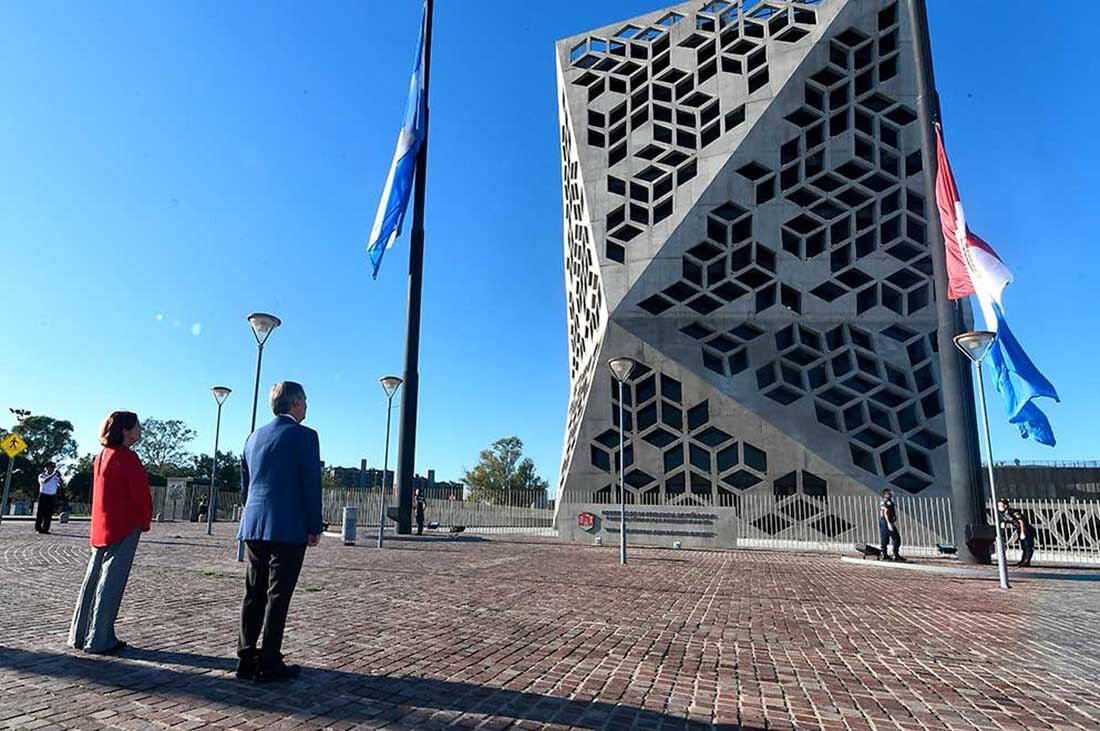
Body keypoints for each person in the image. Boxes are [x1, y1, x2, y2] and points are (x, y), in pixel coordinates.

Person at [236, 381, 322, 682]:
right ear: (296, 403)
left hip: (254, 524)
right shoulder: (305, 436)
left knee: (254, 592)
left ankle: (245, 658)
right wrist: (314, 525)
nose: (307, 406)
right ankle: (270, 660)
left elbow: (246, 488)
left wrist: (253, 513)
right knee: (278, 595)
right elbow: (311, 483)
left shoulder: (253, 437)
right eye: (306, 400)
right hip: (288, 526)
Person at [68, 411, 152, 655]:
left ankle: (80, 633)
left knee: (93, 579)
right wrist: (144, 520)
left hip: (102, 524)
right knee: (112, 581)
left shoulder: (102, 455)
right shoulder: (127, 457)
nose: (140, 429)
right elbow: (140, 494)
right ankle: (101, 637)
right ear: (125, 430)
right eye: (137, 426)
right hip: (124, 524)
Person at [998, 498, 1036, 567]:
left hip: (1026, 529)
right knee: (1023, 546)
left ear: (1006, 506)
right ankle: (1023, 560)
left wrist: (1022, 532)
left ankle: (1026, 561)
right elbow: (1004, 523)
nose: (999, 507)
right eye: (999, 505)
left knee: (1027, 546)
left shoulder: (1012, 512)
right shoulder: (1003, 514)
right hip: (1019, 529)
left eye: (1001, 505)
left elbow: (1021, 521)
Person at [35, 462, 63, 534]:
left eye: (53, 468)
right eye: (50, 467)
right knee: (40, 513)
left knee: (49, 513)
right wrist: (53, 475)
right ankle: (38, 528)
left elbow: (60, 483)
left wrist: (60, 477)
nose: (52, 469)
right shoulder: (42, 475)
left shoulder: (56, 477)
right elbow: (44, 481)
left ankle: (46, 528)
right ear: (46, 468)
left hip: (51, 496)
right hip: (43, 495)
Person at [879, 488, 905, 562]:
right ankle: (895, 555)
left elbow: (881, 513)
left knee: (884, 538)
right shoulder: (888, 502)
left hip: (882, 521)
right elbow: (886, 512)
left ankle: (883, 554)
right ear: (885, 494)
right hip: (887, 522)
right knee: (896, 539)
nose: (891, 493)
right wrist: (889, 523)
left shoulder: (883, 502)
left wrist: (883, 520)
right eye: (889, 493)